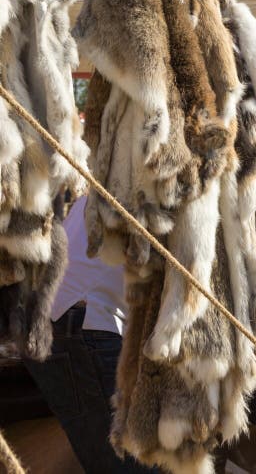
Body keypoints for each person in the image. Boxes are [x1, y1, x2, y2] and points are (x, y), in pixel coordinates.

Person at [23, 196, 155, 473]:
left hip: (56, 321)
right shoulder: (168, 185)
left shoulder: (114, 175)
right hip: (82, 324)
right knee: (132, 464)